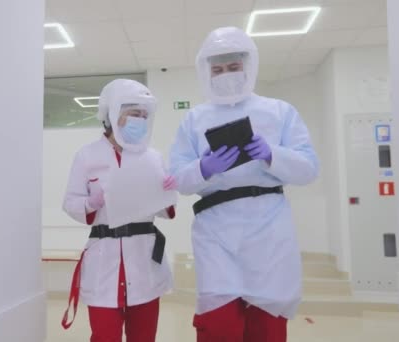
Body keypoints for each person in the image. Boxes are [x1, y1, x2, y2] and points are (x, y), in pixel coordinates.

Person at [169, 27, 319, 342]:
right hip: (215, 230)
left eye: (233, 67)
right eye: (218, 69)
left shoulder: (279, 112)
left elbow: (308, 169)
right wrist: (203, 167)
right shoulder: (194, 119)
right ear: (206, 71)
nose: (226, 75)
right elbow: (178, 179)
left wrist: (271, 155)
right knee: (219, 323)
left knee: (267, 325)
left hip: (270, 228)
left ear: (248, 66)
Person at [61, 79, 177, 342]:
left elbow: (165, 211)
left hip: (144, 256)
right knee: (104, 336)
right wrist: (93, 203)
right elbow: (70, 202)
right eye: (134, 113)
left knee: (144, 336)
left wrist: (169, 192)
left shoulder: (153, 157)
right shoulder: (87, 156)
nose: (140, 120)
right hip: (104, 255)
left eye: (144, 115)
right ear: (112, 114)